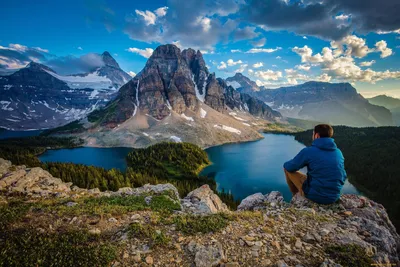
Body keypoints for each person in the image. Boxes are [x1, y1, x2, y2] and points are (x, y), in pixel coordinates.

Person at [283, 124, 347, 204]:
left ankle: (297, 197)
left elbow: (290, 167)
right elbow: (343, 175)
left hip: (316, 196)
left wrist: (285, 164)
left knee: (286, 169)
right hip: (334, 196)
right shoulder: (338, 152)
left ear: (316, 135)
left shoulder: (309, 151)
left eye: (313, 134)